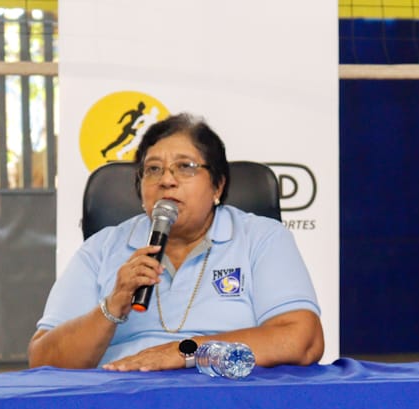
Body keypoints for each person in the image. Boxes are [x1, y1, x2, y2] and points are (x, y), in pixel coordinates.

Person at [29, 113, 324, 370]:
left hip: (226, 397)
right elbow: (43, 359)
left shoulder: (261, 238)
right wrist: (111, 307)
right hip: (123, 398)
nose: (166, 180)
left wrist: (187, 351)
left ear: (217, 185)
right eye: (153, 169)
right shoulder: (102, 248)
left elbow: (303, 339)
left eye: (185, 167)